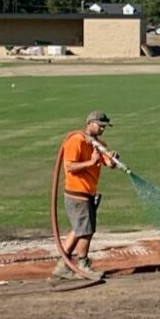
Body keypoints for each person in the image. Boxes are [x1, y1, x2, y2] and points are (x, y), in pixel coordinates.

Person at [52, 111, 123, 281]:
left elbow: (107, 163)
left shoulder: (98, 144)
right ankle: (82, 264)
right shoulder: (76, 141)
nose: (103, 130)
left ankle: (63, 265)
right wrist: (91, 162)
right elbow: (69, 167)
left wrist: (112, 159)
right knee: (85, 230)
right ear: (90, 123)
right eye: (100, 126)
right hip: (77, 193)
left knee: (79, 229)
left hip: (89, 193)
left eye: (105, 127)